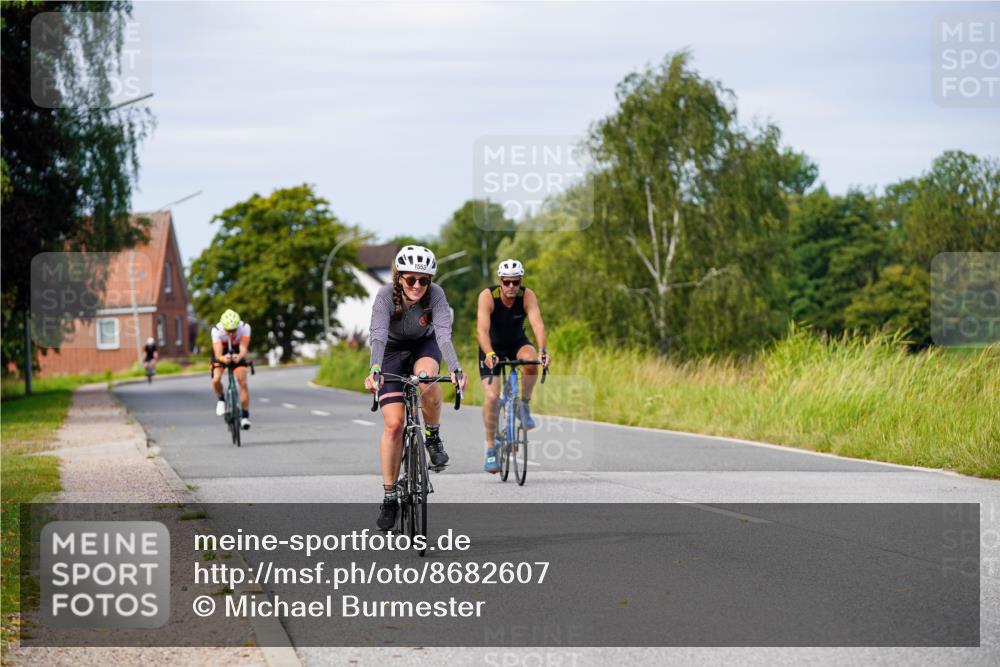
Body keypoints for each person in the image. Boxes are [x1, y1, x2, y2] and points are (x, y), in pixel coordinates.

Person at [364, 245, 467, 530]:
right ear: (399, 277)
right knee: (394, 424)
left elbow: (444, 334)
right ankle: (389, 497)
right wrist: (375, 369)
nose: (418, 285)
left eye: (424, 280)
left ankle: (432, 437)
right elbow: (378, 335)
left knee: (425, 378)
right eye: (411, 279)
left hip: (424, 345)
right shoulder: (385, 295)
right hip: (390, 352)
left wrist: (455, 368)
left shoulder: (436, 295)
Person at [477, 259, 549, 473]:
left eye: (515, 282)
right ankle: (491, 448)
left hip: (517, 343)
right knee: (492, 396)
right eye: (507, 282)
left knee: (532, 360)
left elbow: (537, 324)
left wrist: (543, 351)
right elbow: (482, 330)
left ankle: (523, 404)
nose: (511, 286)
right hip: (492, 347)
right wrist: (489, 353)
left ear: (520, 282)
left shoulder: (527, 295)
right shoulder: (488, 296)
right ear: (500, 281)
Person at [210, 309, 252, 430]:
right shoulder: (216, 330)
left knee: (243, 382)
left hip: (237, 350)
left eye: (234, 330)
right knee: (216, 379)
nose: (231, 333)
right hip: (222, 351)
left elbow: (243, 348)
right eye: (228, 330)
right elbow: (218, 354)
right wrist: (223, 358)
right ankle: (221, 399)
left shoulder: (245, 327)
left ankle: (245, 416)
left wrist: (239, 356)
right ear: (223, 326)